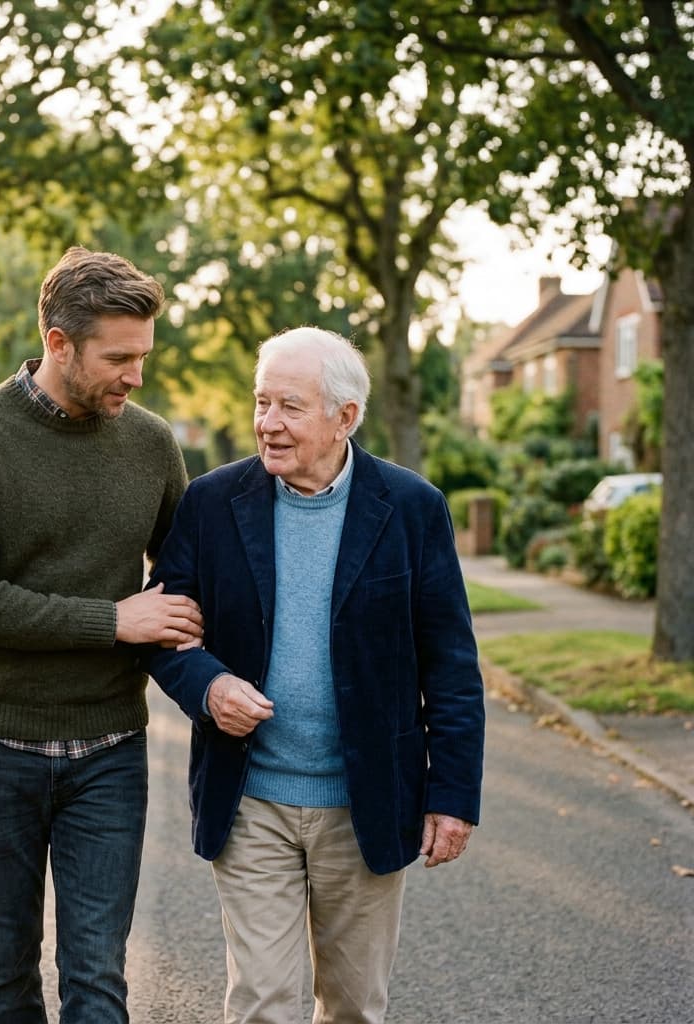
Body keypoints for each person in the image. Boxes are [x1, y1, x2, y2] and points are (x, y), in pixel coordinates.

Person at [144, 326, 485, 1024]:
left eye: (290, 407)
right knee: (262, 1001)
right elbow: (163, 626)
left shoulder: (412, 508)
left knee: (354, 1007)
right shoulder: (210, 503)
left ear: (345, 417)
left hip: (365, 802)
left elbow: (451, 664)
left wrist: (453, 796)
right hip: (251, 798)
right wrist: (208, 686)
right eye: (261, 402)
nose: (268, 423)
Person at [0, 246, 204, 1024]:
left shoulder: (151, 443)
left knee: (97, 978)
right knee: (7, 973)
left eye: (143, 357)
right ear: (59, 343)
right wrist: (113, 620)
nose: (135, 376)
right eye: (118, 358)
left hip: (110, 749)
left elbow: (187, 579)